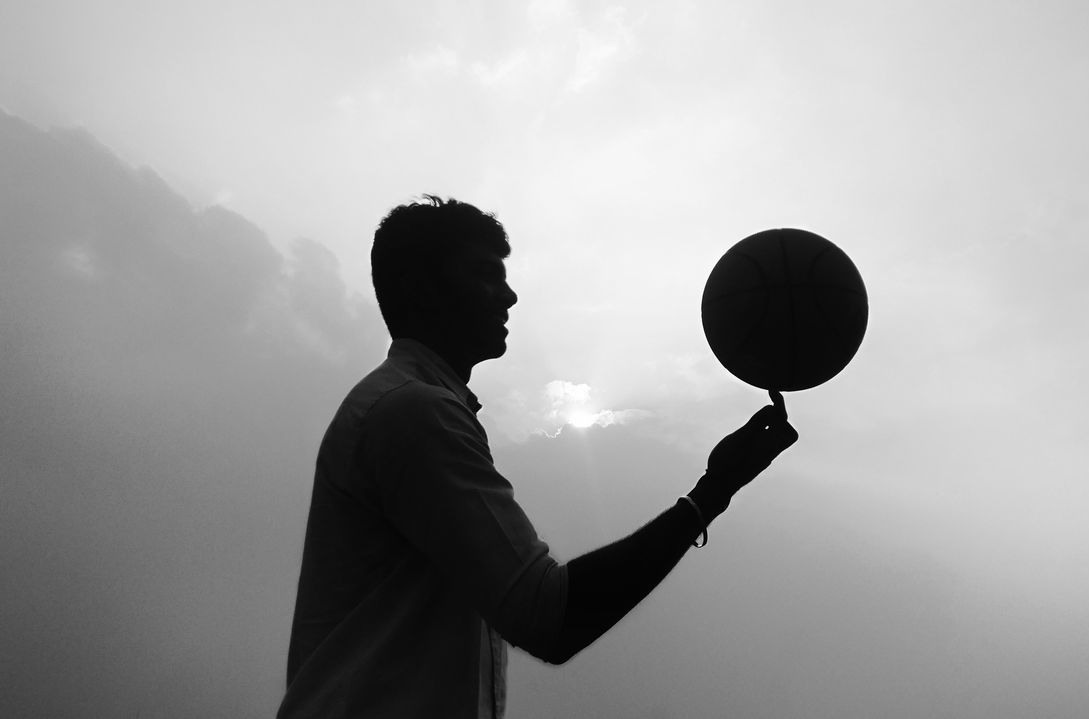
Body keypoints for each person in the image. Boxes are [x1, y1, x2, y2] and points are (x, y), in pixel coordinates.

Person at [277, 195, 798, 718]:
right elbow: (551, 615)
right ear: (420, 288)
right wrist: (712, 493)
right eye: (485, 274)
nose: (509, 295)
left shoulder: (411, 406)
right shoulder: (415, 412)